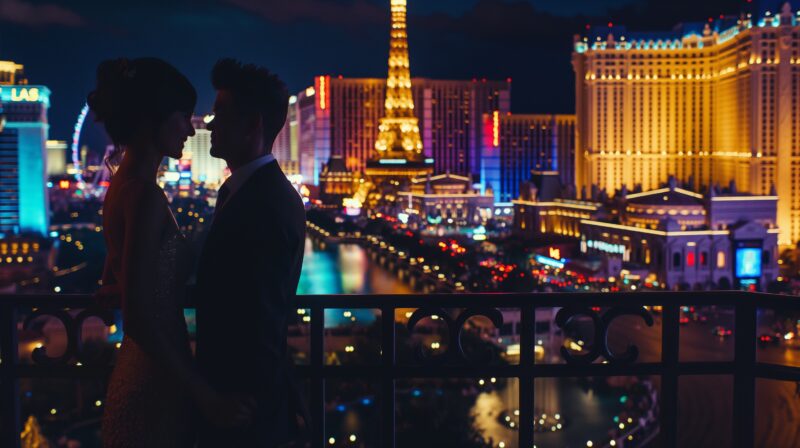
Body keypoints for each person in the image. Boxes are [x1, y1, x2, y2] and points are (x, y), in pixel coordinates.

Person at [92, 57, 253, 447]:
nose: (190, 126)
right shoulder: (144, 195)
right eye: (183, 116)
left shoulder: (122, 186)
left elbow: (114, 281)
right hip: (156, 379)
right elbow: (139, 316)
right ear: (153, 119)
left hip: (146, 368)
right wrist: (206, 396)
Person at [194, 59, 307, 447]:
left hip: (241, 408)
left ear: (253, 124)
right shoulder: (251, 192)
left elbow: (260, 315)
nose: (210, 123)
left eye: (220, 113)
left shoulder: (265, 205)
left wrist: (233, 404)